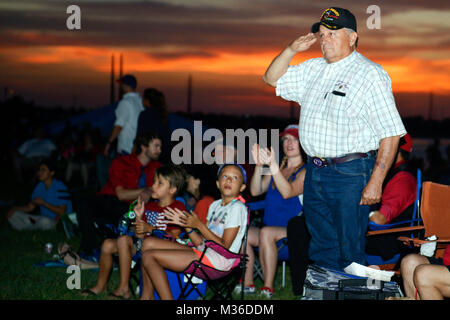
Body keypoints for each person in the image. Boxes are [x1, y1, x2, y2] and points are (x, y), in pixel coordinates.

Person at [263, 7, 407, 270]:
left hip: (351, 172)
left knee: (349, 247)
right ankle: (325, 292)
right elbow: (271, 78)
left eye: (332, 33)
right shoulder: (312, 69)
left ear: (352, 38)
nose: (324, 40)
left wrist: (376, 181)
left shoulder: (370, 74)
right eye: (321, 34)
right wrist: (290, 49)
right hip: (316, 172)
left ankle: (352, 293)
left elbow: (390, 132)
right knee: (321, 245)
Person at [138, 163, 248, 300]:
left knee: (149, 257)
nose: (229, 180)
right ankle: (146, 297)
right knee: (147, 243)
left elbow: (225, 246)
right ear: (218, 183)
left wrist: (199, 225)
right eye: (225, 176)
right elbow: (200, 242)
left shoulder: (237, 208)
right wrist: (187, 226)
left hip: (220, 261)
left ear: (242, 187)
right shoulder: (215, 205)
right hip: (204, 252)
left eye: (235, 178)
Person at [81, 164, 186, 299]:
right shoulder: (149, 206)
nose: (153, 186)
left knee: (124, 240)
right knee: (107, 244)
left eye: (160, 183)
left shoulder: (178, 207)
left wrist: (151, 229)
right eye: (154, 182)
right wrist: (138, 216)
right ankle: (101, 286)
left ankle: (124, 288)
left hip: (161, 250)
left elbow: (175, 235)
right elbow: (138, 236)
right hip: (141, 246)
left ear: (172, 189)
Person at [239, 124, 306, 298]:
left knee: (266, 233)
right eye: (286, 139)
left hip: (294, 234)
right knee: (242, 233)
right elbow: (255, 190)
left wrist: (273, 165)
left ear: (304, 143)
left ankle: (268, 287)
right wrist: (260, 166)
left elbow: (287, 192)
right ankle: (248, 284)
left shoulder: (305, 171)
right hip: (268, 230)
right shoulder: (279, 169)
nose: (289, 143)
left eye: (295, 139)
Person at [76, 131, 162, 257]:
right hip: (111, 200)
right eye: (156, 146)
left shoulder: (157, 167)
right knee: (84, 203)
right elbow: (121, 194)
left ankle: (121, 247)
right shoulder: (122, 163)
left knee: (131, 213)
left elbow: (158, 191)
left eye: (160, 147)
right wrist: (146, 189)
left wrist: (149, 192)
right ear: (144, 147)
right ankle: (89, 247)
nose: (160, 150)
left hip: (134, 208)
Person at [365, 133, 418, 262]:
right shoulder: (393, 174)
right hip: (380, 240)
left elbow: (379, 220)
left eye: (381, 148)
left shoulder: (402, 179)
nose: (376, 152)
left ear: (394, 149)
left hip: (386, 247)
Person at [7, 158, 72, 230]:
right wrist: (14, 209)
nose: (39, 172)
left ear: (52, 173)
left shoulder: (60, 187)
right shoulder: (39, 186)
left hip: (57, 221)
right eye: (39, 170)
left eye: (43, 170)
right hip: (40, 219)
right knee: (14, 215)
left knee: (44, 222)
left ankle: (26, 228)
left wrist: (43, 203)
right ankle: (30, 227)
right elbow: (30, 207)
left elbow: (62, 212)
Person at [104, 74, 144, 156]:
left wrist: (109, 143)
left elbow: (119, 125)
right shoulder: (141, 101)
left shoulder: (125, 102)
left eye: (122, 84)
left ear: (126, 85)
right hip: (138, 148)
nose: (121, 86)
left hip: (126, 147)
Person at [136, 88, 171, 163]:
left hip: (150, 153)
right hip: (163, 153)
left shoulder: (145, 114)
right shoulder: (163, 114)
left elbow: (141, 135)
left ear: (147, 100)